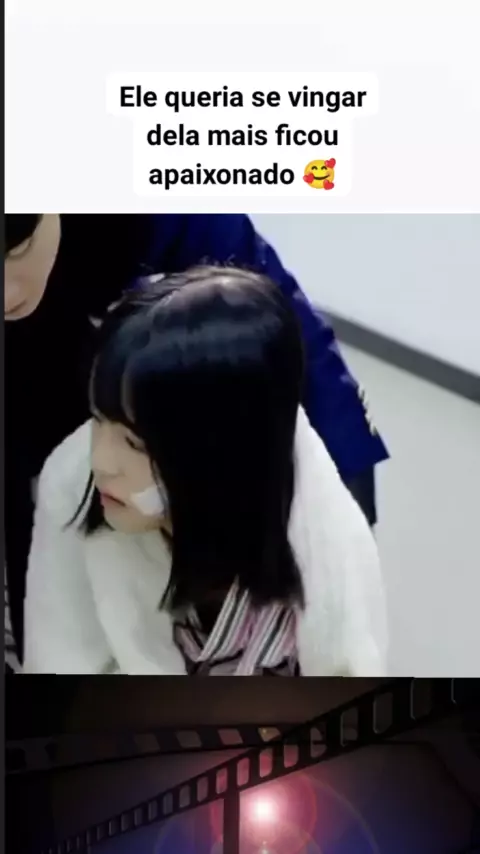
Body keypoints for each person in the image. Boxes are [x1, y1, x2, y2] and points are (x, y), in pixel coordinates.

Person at [5, 214, 388, 661]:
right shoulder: (77, 480)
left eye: (18, 250)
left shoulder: (161, 215)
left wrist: (339, 552)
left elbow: (286, 355)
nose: (6, 293)